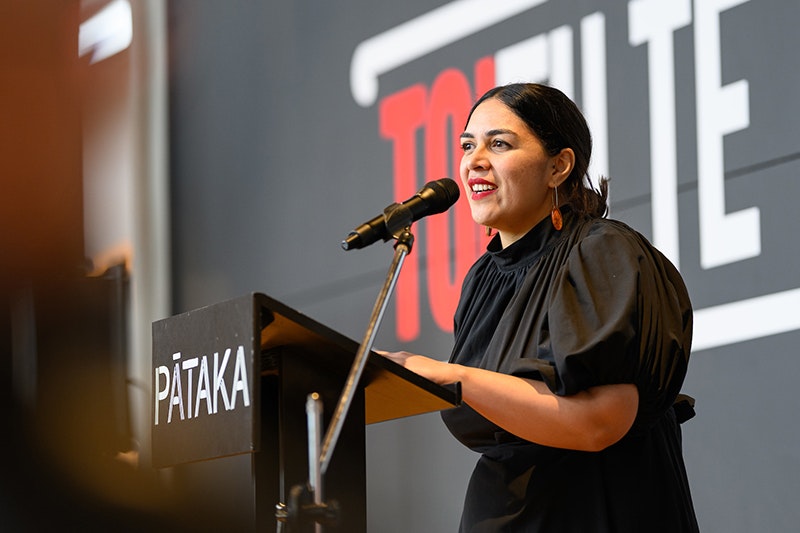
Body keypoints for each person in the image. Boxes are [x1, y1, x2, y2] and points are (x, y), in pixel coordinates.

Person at [381, 83, 699, 532]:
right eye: (468, 145)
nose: (474, 160)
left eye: (499, 144)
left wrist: (446, 375)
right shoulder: (483, 279)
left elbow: (599, 423)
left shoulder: (601, 251)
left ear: (558, 166)